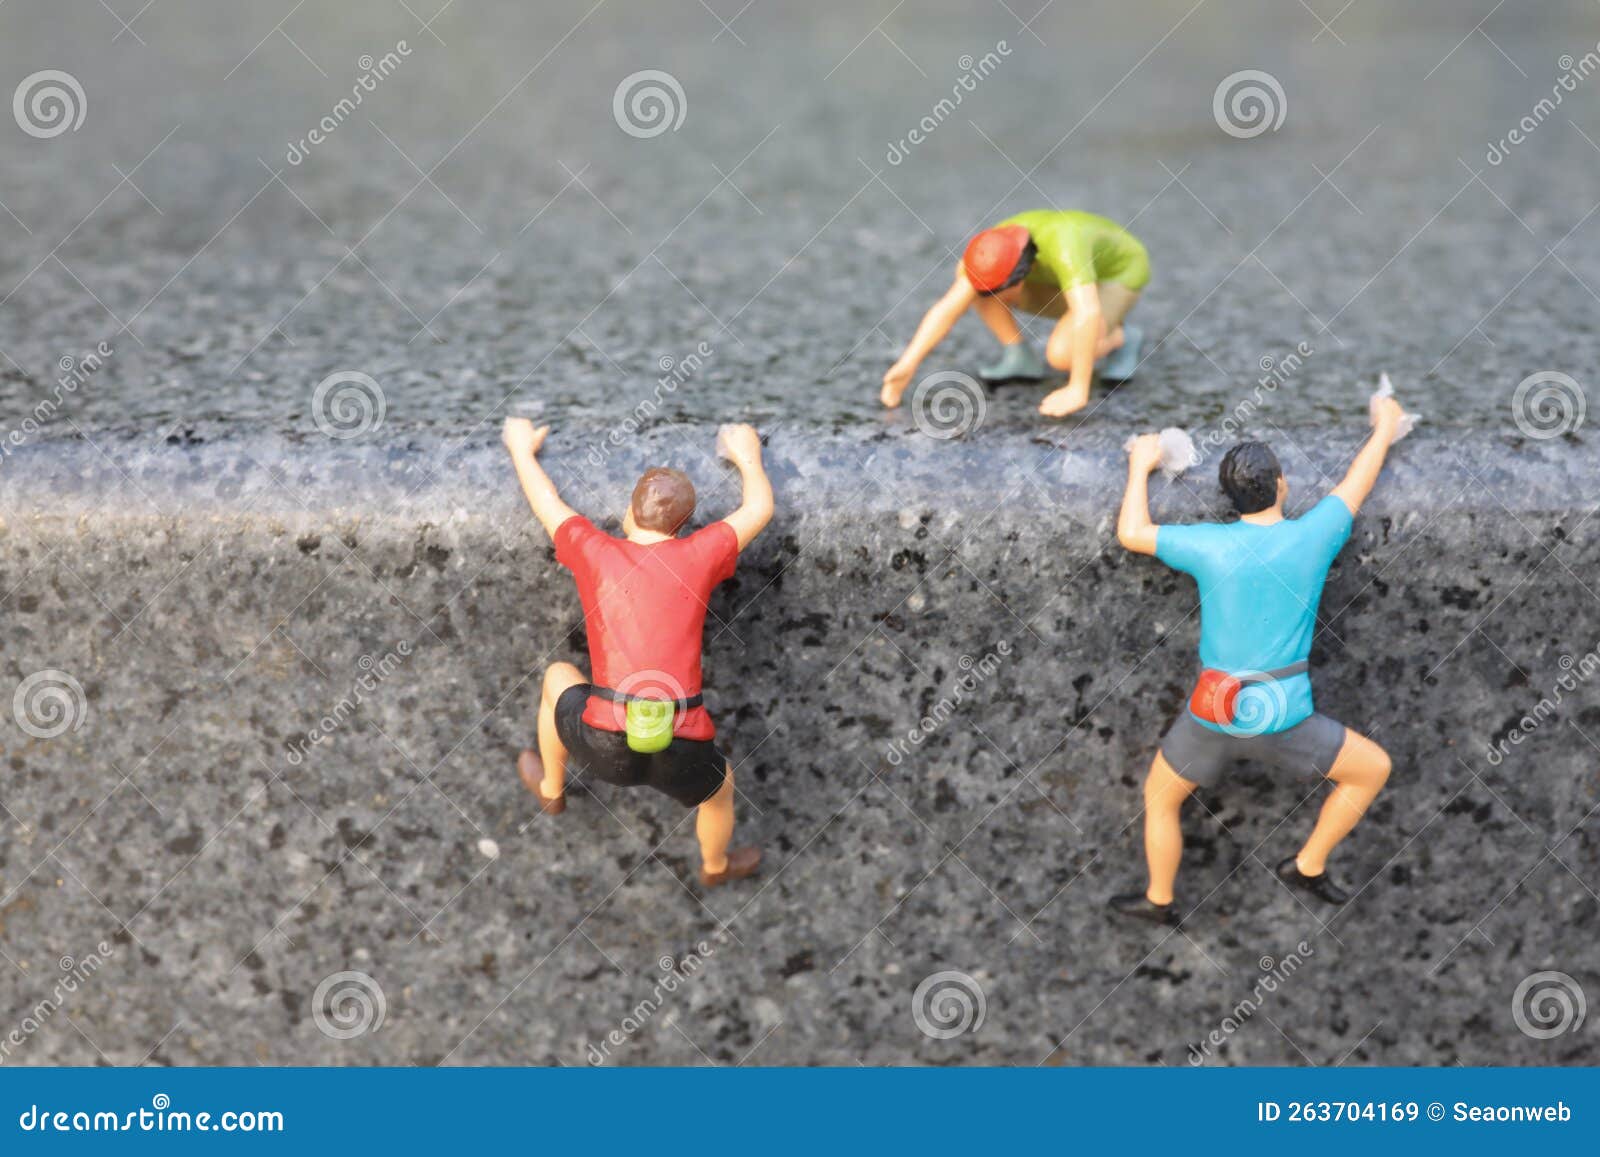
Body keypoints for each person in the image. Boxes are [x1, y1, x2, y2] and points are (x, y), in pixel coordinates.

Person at [1109, 393, 1409, 923]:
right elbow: (1357, 482)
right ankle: (1308, 864)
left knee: (1161, 800)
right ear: (1281, 485)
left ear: (1230, 499)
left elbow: (1131, 532)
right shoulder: (1314, 535)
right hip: (1284, 717)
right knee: (1372, 770)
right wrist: (1384, 427)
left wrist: (1140, 465)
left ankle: (1160, 899)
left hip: (1212, 715)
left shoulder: (1209, 544)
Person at [501, 417, 774, 888]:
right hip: (682, 744)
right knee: (720, 792)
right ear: (682, 526)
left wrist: (521, 451)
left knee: (557, 676)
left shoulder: (594, 550)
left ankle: (551, 788)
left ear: (630, 513)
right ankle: (715, 866)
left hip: (602, 741)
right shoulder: (701, 553)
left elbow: (547, 502)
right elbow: (759, 508)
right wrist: (747, 454)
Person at [881, 209, 1150, 418]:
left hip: (1116, 275)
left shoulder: (1066, 248)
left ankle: (1121, 336)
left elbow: (1087, 312)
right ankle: (1019, 355)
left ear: (1021, 275)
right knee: (975, 289)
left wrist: (1078, 387)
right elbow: (948, 307)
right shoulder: (992, 247)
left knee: (1062, 356)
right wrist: (908, 363)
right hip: (1064, 278)